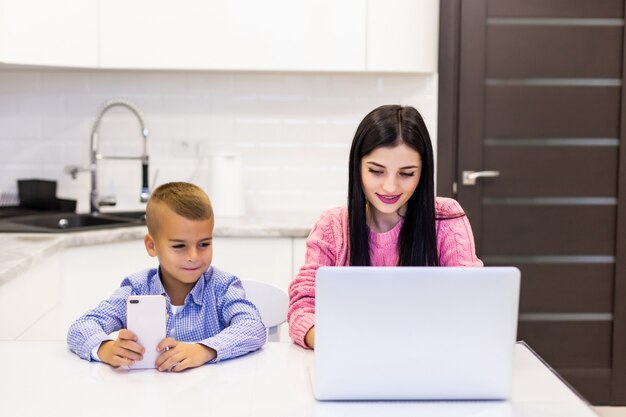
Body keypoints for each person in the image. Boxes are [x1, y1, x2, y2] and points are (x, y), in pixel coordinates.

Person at [288, 104, 483, 349]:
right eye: (376, 171)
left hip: (427, 360)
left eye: (406, 173)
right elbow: (302, 306)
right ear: (357, 167)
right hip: (351, 360)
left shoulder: (446, 219)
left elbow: (471, 301)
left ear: (423, 172)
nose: (390, 187)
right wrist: (337, 344)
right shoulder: (332, 227)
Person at [67, 182, 266, 371]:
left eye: (204, 244)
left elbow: (253, 327)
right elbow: (82, 327)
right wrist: (106, 349)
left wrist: (202, 350)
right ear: (151, 246)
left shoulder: (223, 287)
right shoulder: (137, 288)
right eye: (179, 246)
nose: (193, 257)